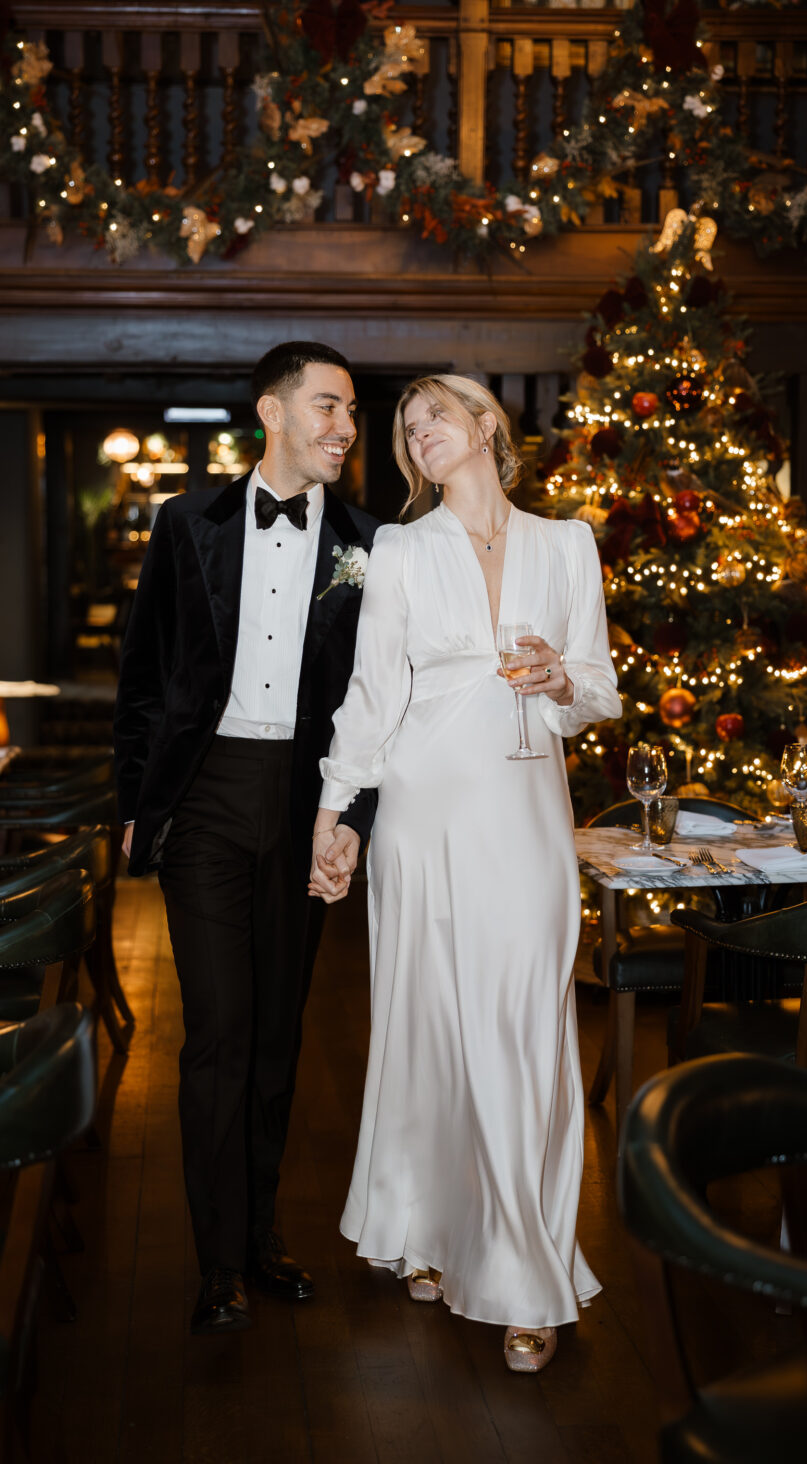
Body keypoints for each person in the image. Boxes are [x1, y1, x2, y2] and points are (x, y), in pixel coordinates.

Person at [309, 374, 621, 1372]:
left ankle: (526, 1271)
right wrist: (336, 809)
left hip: (527, 817)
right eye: (405, 428)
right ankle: (431, 1232)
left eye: (433, 415)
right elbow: (372, 692)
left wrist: (562, 678)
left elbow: (597, 691)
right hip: (421, 812)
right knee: (432, 1030)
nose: (416, 433)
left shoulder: (566, 542)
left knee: (523, 1029)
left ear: (486, 425)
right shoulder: (399, 549)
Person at [114, 342, 381, 1335]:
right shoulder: (187, 524)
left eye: (351, 409)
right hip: (210, 798)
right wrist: (137, 800)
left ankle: (262, 1236)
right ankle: (215, 1259)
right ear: (270, 411)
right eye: (325, 406)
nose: (344, 426)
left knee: (276, 1035)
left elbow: (374, 697)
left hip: (307, 802)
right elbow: (141, 680)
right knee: (219, 1033)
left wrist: (350, 817)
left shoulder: (367, 542)